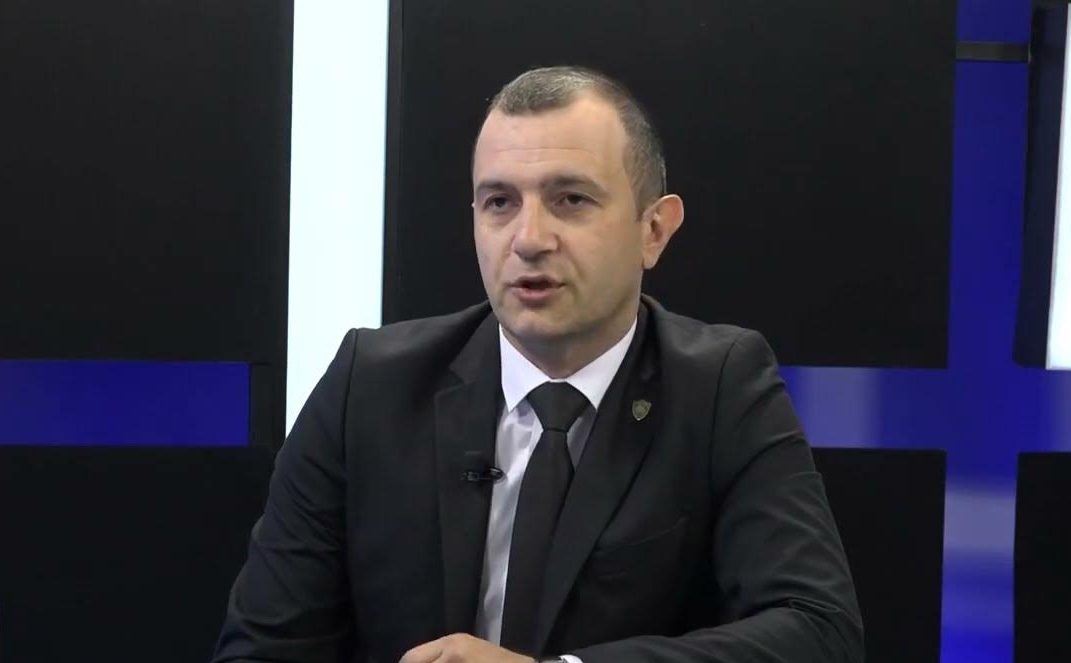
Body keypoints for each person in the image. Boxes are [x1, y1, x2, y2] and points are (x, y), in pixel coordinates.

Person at [213, 66, 862, 663]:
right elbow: (263, 648)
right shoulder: (370, 387)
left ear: (654, 230)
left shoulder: (720, 387)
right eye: (499, 202)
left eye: (570, 199)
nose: (528, 239)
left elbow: (818, 630)